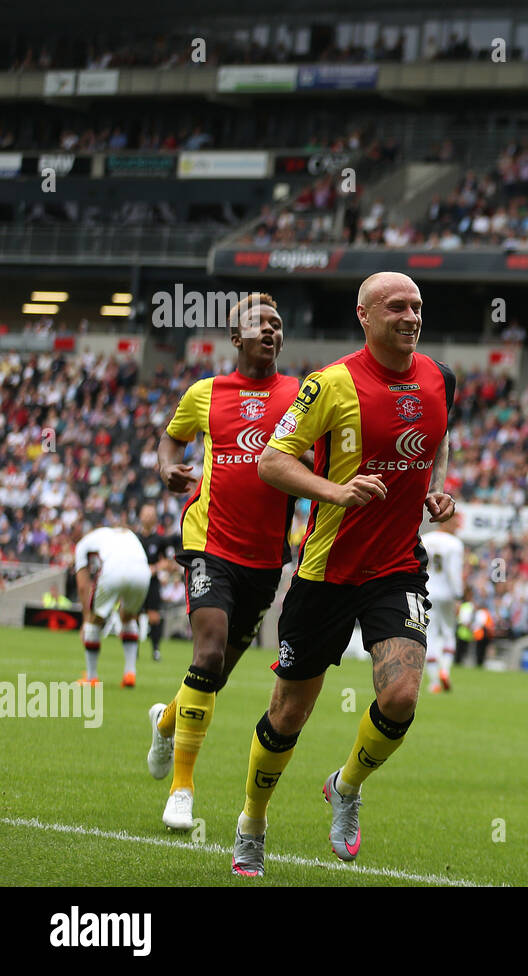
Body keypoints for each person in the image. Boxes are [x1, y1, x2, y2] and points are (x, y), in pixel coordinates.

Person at [229, 271, 457, 876]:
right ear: (364, 315)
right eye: (396, 307)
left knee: (403, 695)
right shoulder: (328, 384)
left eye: (417, 306)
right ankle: (253, 819)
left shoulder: (441, 378)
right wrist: (336, 490)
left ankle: (346, 787)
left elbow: (433, 443)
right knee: (289, 712)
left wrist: (433, 488)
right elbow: (272, 464)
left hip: (397, 568)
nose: (411, 316)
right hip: (326, 571)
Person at [145, 293, 303, 834]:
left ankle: (166, 722)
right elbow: (170, 442)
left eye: (278, 326)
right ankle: (182, 790)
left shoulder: (301, 395)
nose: (271, 332)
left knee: (215, 676)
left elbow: (317, 457)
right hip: (210, 541)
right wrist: (168, 469)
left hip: (265, 559)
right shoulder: (205, 393)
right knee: (207, 655)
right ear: (236, 338)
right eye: (260, 324)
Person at [73, 525, 150, 687]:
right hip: (143, 571)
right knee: (127, 617)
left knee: (94, 622)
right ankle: (130, 673)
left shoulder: (82, 545)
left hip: (114, 569)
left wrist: (86, 620)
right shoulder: (124, 533)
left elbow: (82, 586)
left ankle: (91, 677)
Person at [420, 512, 465, 693]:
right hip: (446, 594)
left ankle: (434, 682)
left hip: (427, 591)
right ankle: (444, 670)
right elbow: (454, 574)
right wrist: (458, 597)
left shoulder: (425, 538)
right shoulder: (455, 544)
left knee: (429, 634)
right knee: (448, 632)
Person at [135, 503, 181, 662]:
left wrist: (155, 568)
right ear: (140, 516)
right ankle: (133, 650)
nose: (147, 517)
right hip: (136, 582)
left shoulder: (160, 540)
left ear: (155, 518)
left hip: (152, 583)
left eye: (150, 514)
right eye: (145, 513)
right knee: (132, 615)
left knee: (153, 616)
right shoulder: (134, 538)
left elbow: (170, 562)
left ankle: (155, 650)